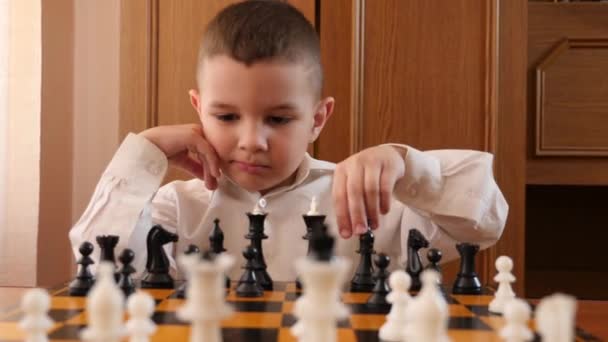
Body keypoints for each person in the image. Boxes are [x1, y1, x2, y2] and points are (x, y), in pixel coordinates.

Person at [69, 0, 508, 280]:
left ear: (318, 119)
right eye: (225, 116)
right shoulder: (176, 207)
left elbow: (484, 221)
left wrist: (405, 164)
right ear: (197, 108)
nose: (252, 140)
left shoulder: (370, 203)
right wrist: (144, 151)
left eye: (278, 118)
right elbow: (96, 263)